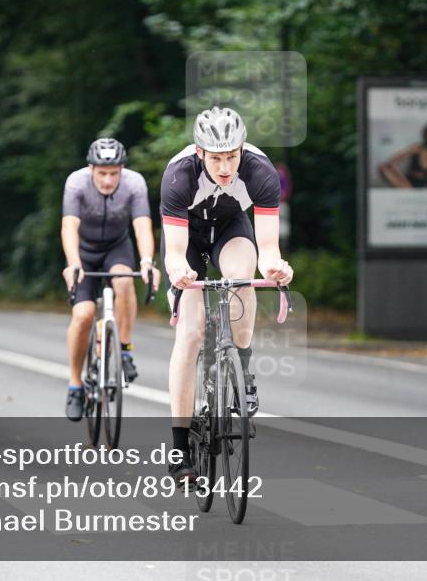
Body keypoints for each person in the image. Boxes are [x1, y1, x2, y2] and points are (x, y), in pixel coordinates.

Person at [160, 106, 294, 484]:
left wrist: (277, 268)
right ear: (200, 152)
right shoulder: (179, 175)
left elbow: (268, 249)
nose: (224, 166)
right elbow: (173, 252)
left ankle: (243, 369)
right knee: (190, 333)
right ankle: (180, 445)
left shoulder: (260, 171)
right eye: (216, 158)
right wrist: (179, 273)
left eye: (231, 156)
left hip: (231, 228)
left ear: (242, 149)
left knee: (242, 280)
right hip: (188, 238)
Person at [61, 138, 158, 422]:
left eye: (113, 173)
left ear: (122, 170)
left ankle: (125, 349)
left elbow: (142, 227)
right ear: (91, 169)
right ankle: (75, 385)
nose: (107, 180)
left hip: (117, 247)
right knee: (83, 315)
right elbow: (69, 226)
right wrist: (73, 263)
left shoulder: (135, 184)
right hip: (85, 253)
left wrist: (147, 262)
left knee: (125, 280)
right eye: (102, 173)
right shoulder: (76, 183)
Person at [378, 122, 427, 188]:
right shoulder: (417, 148)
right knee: (383, 168)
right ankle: (408, 190)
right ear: (425, 136)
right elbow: (392, 161)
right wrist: (401, 177)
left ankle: (412, 192)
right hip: (408, 182)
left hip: (425, 184)